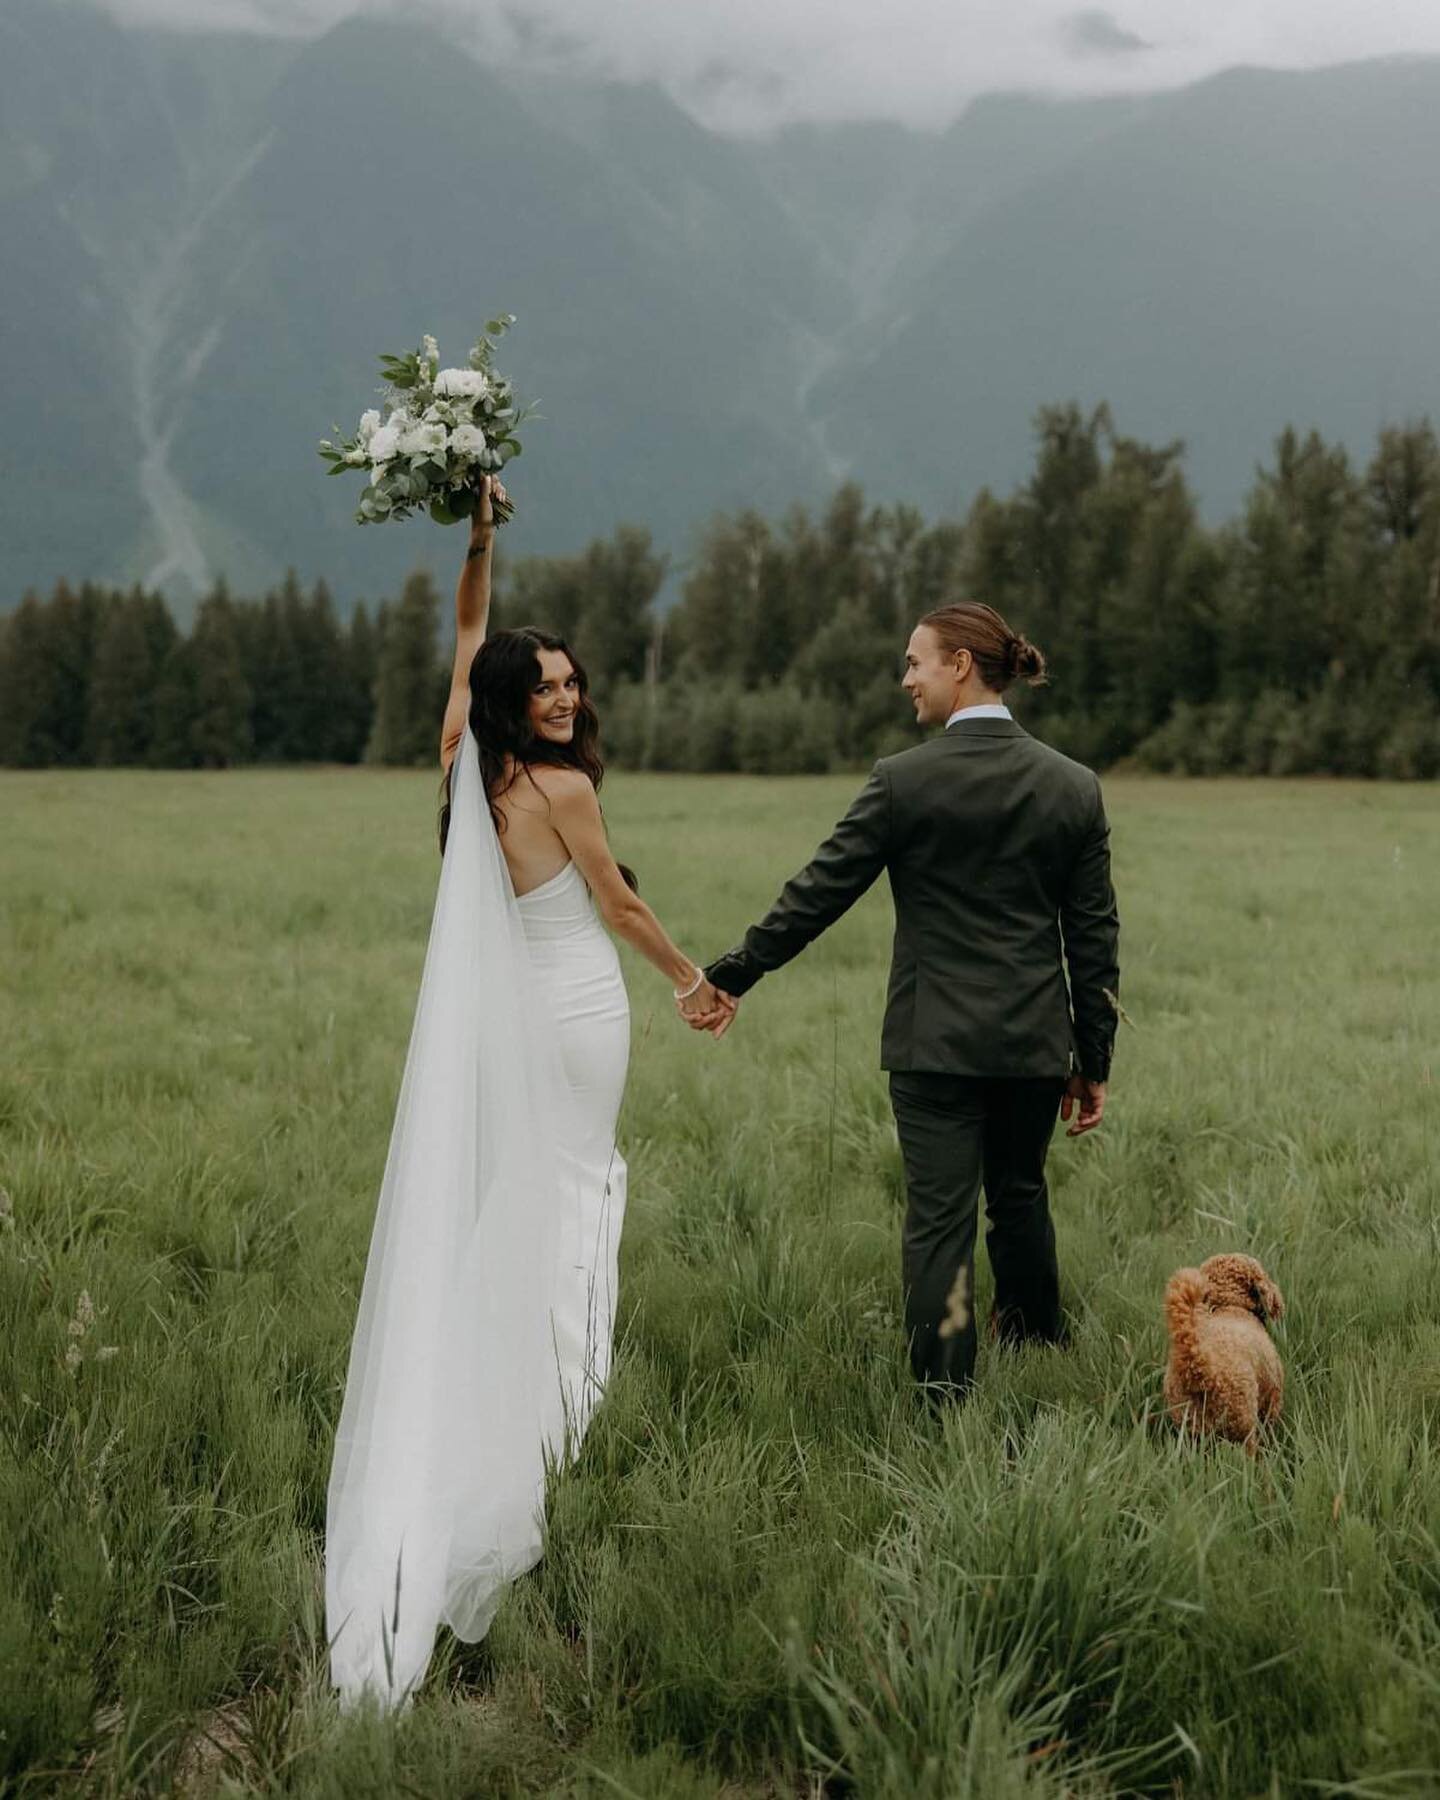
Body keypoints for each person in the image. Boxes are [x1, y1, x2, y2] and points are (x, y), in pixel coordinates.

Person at [325, 476, 731, 1712]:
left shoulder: (463, 761)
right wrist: (691, 981)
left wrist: (483, 541)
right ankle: (556, 1399)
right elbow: (617, 905)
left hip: (516, 1025)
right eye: (544, 684)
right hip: (577, 1013)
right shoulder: (560, 790)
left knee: (529, 1191)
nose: (566, 695)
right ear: (518, 705)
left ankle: (511, 1369)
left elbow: (464, 632)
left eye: (571, 680)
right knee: (573, 1189)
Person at [690, 602, 1120, 1404]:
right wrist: (1093, 1058)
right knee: (1020, 1197)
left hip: (934, 1045)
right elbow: (1093, 938)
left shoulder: (904, 780)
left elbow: (817, 894)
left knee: (939, 1222)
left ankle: (945, 1394)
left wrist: (733, 974)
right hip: (1032, 1044)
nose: (906, 680)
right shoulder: (1074, 787)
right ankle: (1034, 1353)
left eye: (915, 662)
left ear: (960, 664)